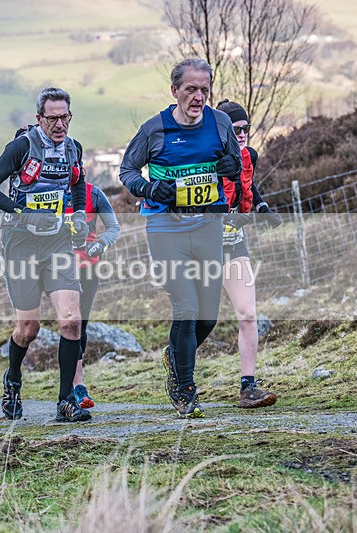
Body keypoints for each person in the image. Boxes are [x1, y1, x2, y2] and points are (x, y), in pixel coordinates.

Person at [120, 58, 242, 418]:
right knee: (186, 309)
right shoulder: (154, 129)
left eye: (204, 90)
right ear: (175, 90)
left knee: (208, 317)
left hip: (207, 225)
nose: (198, 96)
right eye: (191, 89)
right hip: (166, 228)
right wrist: (149, 188)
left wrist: (230, 167)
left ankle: (174, 355)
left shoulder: (220, 123)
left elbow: (236, 165)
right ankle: (185, 390)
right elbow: (127, 170)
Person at [0, 87, 92, 423]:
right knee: (29, 328)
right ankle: (13, 379)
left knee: (71, 321)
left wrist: (79, 215)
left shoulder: (73, 148)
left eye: (64, 117)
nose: (59, 124)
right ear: (39, 118)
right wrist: (24, 213)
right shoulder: (21, 147)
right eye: (52, 118)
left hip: (57, 242)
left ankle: (65, 401)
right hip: (21, 244)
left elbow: (77, 184)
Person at [215, 99, 283, 409]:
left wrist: (262, 207)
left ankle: (248, 386)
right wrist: (227, 218)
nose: (242, 133)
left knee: (247, 313)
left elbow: (248, 184)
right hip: (204, 247)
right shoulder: (210, 159)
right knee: (199, 320)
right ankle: (177, 361)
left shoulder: (248, 156)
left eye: (246, 128)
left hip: (234, 246)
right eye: (235, 128)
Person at [63, 182, 121, 408]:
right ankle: (74, 386)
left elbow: (113, 227)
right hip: (57, 267)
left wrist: (101, 244)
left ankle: (76, 386)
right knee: (69, 322)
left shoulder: (94, 193)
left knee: (80, 324)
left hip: (88, 267)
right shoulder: (47, 191)